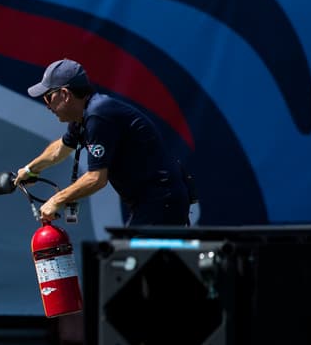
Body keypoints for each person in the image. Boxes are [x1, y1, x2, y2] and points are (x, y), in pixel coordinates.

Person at [16, 58, 191, 227]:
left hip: (161, 201)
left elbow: (96, 179)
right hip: (154, 202)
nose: (48, 106)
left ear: (65, 94)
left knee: (132, 257)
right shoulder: (84, 115)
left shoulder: (98, 115)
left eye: (48, 97)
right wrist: (31, 169)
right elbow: (60, 148)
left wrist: (57, 199)